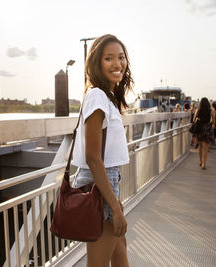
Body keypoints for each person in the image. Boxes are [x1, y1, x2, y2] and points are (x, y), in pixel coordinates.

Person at [71, 34, 132, 267]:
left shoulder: (107, 96)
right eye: (109, 58)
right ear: (96, 63)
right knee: (98, 263)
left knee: (120, 250)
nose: (117, 64)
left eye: (121, 57)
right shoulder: (97, 95)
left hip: (107, 181)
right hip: (101, 184)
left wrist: (115, 200)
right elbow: (93, 158)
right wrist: (113, 206)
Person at [193, 98, 214, 169]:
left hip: (200, 128)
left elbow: (194, 120)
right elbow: (213, 121)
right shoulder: (210, 111)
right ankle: (204, 164)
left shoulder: (198, 110)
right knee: (206, 148)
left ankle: (200, 161)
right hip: (207, 129)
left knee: (200, 146)